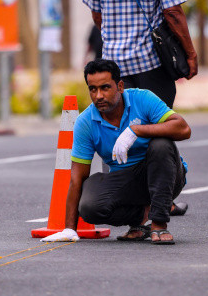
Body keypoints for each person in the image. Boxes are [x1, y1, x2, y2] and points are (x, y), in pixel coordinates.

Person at [83, 0, 196, 216]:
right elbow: (173, 12)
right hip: (151, 66)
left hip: (114, 69)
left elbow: (96, 14)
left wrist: (115, 35)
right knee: (159, 131)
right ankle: (165, 197)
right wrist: (189, 53)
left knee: (117, 136)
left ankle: (132, 205)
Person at [41, 59, 191, 245]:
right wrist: (70, 229)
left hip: (167, 175)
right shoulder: (86, 122)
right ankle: (141, 215)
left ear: (120, 86)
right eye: (92, 89)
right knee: (89, 206)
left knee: (161, 144)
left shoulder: (142, 99)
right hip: (127, 181)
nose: (98, 96)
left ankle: (159, 224)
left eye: (105, 88)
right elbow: (76, 177)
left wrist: (137, 130)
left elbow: (183, 129)